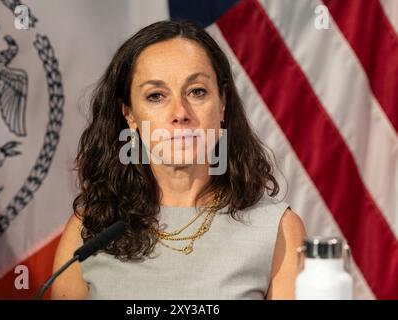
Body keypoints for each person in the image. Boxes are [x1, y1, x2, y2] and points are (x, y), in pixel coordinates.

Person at [51, 20, 306, 300]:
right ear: (129, 114)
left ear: (222, 103)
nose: (180, 113)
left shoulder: (278, 229)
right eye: (156, 96)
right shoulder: (90, 227)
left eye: (197, 91)